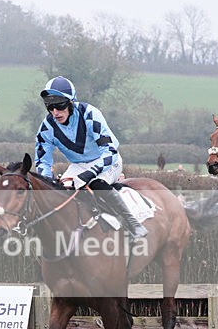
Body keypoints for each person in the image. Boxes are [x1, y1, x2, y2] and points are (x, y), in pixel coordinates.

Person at [34, 76, 147, 238]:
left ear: (71, 102)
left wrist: (90, 173)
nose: (55, 112)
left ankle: (133, 223)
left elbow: (110, 152)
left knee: (95, 183)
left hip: (108, 161)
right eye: (50, 106)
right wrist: (46, 183)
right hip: (78, 166)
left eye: (59, 105)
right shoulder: (46, 127)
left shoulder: (90, 114)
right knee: (60, 193)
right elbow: (42, 161)